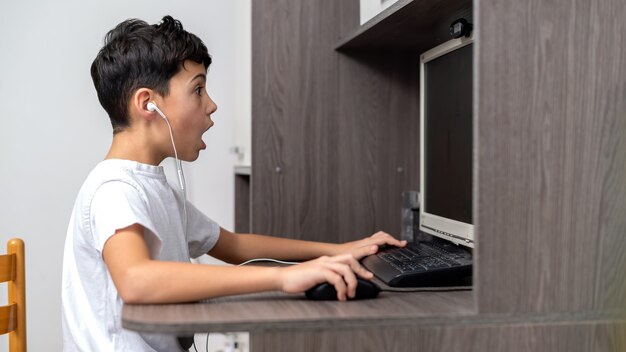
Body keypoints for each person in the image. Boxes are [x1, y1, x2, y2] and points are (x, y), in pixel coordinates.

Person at [61, 15, 406, 351]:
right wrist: (284, 278)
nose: (211, 105)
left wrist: (337, 251)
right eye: (197, 89)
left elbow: (235, 246)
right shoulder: (115, 189)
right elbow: (137, 280)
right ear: (148, 103)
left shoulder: (152, 186)